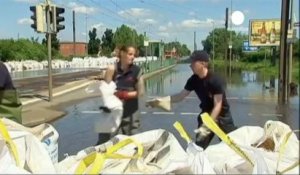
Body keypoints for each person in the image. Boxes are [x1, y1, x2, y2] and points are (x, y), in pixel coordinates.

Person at [150, 50, 236, 149]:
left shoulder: (215, 80)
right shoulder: (193, 80)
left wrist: (207, 125)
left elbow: (218, 106)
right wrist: (161, 101)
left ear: (203, 64)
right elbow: (180, 96)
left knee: (231, 147)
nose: (190, 65)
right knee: (199, 146)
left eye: (193, 62)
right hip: (206, 114)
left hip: (223, 116)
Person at [96, 45, 144, 145]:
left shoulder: (137, 71)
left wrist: (123, 94)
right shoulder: (112, 69)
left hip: (130, 113)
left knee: (133, 142)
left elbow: (141, 92)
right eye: (130, 54)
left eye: (134, 55)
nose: (133, 57)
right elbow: (106, 91)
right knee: (105, 142)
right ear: (122, 53)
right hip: (113, 111)